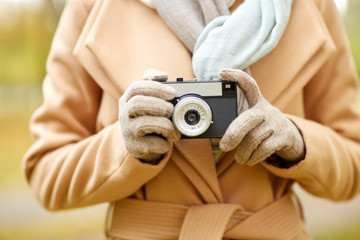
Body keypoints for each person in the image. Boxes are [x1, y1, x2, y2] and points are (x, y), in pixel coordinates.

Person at [23, 0, 360, 239]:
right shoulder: (92, 6)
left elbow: (353, 164)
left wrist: (298, 141)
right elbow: (46, 174)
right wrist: (124, 147)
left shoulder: (310, 5)